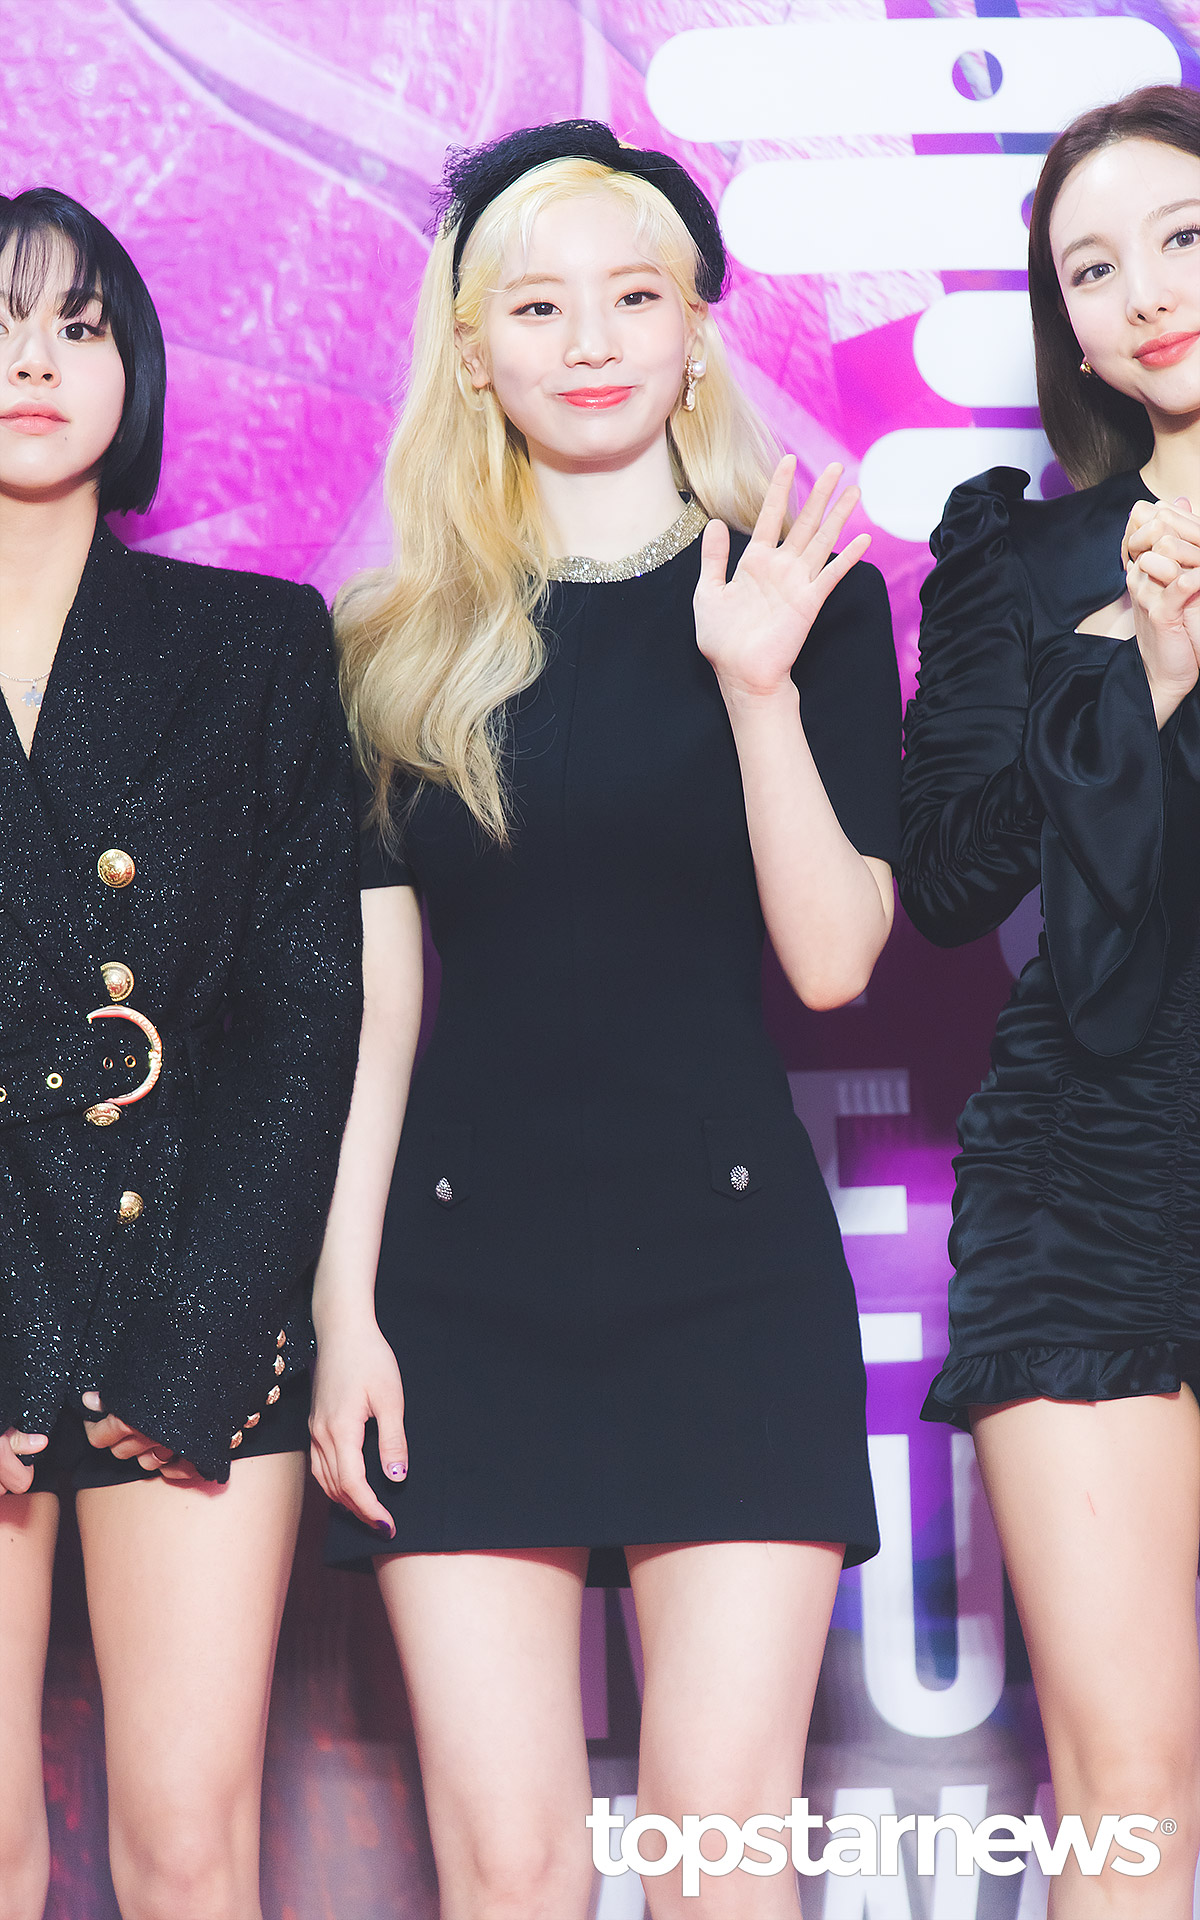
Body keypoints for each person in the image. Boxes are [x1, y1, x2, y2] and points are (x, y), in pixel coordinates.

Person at [312, 120, 900, 1918]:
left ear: (698, 329)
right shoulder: (388, 644)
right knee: (512, 1876)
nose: (590, 341)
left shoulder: (804, 594)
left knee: (721, 1862)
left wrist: (757, 690)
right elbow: (374, 1017)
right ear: (471, 352)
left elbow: (835, 962)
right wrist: (343, 1312)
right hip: (458, 1291)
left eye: (634, 298)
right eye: (538, 305)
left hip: (729, 1277)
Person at [0, 188, 360, 1920]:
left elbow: (305, 1008)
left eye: (78, 327)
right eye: (1, 324)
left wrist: (209, 1329)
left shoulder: (255, 641)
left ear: (133, 370)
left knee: (190, 1850)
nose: (35, 362)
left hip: (192, 1290)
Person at [900, 86, 1200, 1917]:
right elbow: (946, 882)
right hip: (1088, 1174)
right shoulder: (1020, 559)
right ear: (1066, 330)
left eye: (1183, 237)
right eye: (1092, 269)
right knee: (1127, 1793)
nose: (1143, 291)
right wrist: (1131, 681)